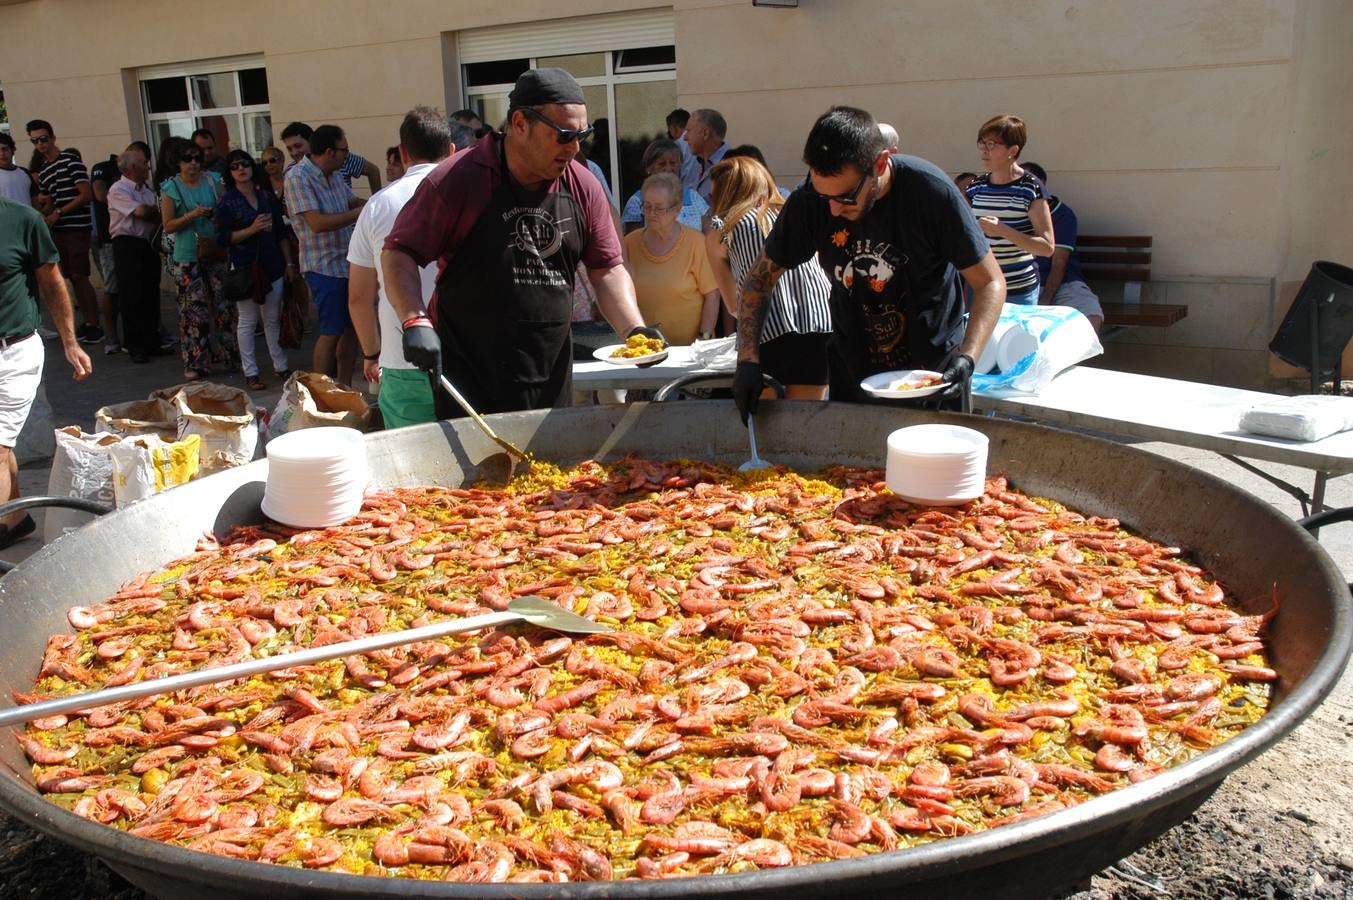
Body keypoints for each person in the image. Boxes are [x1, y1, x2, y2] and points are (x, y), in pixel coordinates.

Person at [382, 67, 655, 417]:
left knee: (550, 470)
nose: (574, 148)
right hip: (470, 377)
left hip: (551, 372)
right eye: (563, 135)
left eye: (582, 135)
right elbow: (399, 253)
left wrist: (634, 330)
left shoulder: (583, 186)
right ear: (521, 123)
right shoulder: (458, 179)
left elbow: (607, 268)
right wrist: (414, 320)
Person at [731, 105, 1004, 422]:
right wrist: (748, 361)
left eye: (845, 197)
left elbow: (990, 282)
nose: (832, 210)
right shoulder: (809, 202)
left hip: (933, 373)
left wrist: (969, 358)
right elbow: (759, 280)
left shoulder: (931, 193)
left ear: (881, 163)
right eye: (824, 197)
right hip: (853, 368)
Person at [349, 107, 452, 429]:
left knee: (413, 469)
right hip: (468, 359)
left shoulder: (378, 205)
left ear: (403, 153)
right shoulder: (472, 197)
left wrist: (371, 353)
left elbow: (359, 298)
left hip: (401, 357)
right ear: (451, 151)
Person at [0, 197, 93, 549]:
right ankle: (14, 519)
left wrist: (70, 343)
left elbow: (53, 283)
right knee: (3, 446)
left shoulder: (23, 221)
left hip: (15, 352)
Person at [706, 155, 832, 401]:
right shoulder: (794, 215)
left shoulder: (722, 226)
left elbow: (734, 305)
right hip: (822, 326)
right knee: (803, 422)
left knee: (768, 428)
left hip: (768, 332)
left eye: (714, 196)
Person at [285, 124, 364, 385]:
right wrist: (357, 214)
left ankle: (344, 388)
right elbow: (316, 223)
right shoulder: (298, 178)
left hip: (347, 263)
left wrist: (378, 204)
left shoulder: (334, 174)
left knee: (352, 331)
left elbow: (352, 202)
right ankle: (319, 393)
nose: (347, 156)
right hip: (323, 267)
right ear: (330, 151)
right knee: (331, 332)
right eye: (344, 150)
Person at [215, 149, 293, 390]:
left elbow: (281, 233)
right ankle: (251, 372)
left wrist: (289, 263)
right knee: (247, 321)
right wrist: (251, 229)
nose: (241, 169)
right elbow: (222, 238)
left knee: (272, 319)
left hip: (272, 264)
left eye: (245, 164)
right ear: (229, 173)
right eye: (235, 166)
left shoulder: (267, 196)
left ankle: (280, 366)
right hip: (245, 267)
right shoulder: (227, 202)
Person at [161, 138, 235, 380]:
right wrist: (191, 215)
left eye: (197, 158)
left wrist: (217, 215)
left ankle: (228, 355)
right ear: (178, 162)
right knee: (193, 311)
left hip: (214, 250)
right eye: (187, 159)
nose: (193, 163)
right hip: (187, 255)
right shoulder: (171, 188)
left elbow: (227, 210)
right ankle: (196, 362)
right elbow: (168, 225)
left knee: (224, 305)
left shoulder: (213, 180)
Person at [26, 119, 103, 344]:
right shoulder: (46, 170)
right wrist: (43, 204)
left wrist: (58, 212)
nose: (40, 144)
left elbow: (86, 194)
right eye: (35, 141)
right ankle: (88, 323)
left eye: (43, 138)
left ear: (53, 137)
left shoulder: (71, 161)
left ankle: (94, 325)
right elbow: (51, 203)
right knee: (70, 277)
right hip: (59, 230)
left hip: (77, 227)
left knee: (80, 275)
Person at [964, 114, 1054, 305]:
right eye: (982, 144)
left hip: (1018, 290)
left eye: (991, 145)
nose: (984, 151)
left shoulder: (1030, 188)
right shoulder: (976, 187)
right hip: (981, 286)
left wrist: (1003, 231)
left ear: (1012, 150)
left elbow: (1047, 247)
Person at [623, 172, 720, 346]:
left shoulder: (696, 243)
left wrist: (703, 338)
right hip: (643, 350)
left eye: (659, 208)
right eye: (647, 206)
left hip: (689, 351)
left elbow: (712, 296)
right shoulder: (629, 243)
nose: (651, 214)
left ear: (677, 209)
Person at [1023, 162, 1104, 333]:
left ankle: (1076, 360)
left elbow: (1059, 263)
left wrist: (1044, 302)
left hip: (1063, 284)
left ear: (1042, 187)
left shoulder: (1062, 214)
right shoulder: (1007, 213)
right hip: (1022, 283)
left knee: (1090, 316)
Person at [107, 147, 162, 364]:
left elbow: (157, 211)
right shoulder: (118, 189)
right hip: (127, 244)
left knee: (151, 291)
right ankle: (135, 345)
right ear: (132, 167)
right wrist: (152, 209)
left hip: (147, 243)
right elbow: (141, 212)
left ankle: (152, 341)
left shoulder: (145, 189)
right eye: (143, 163)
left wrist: (152, 210)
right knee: (132, 294)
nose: (147, 167)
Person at [621, 139, 708, 235]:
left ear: (680, 165)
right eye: (662, 164)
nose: (668, 169)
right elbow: (634, 242)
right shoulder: (637, 202)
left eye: (673, 163)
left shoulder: (693, 197)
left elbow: (710, 231)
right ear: (648, 168)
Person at [280, 121, 381, 195]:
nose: (294, 152)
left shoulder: (341, 157)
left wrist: (376, 203)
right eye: (289, 149)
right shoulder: (292, 173)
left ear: (311, 141)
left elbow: (373, 170)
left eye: (298, 146)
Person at [89, 152, 122, 353]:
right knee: (111, 288)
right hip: (108, 240)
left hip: (131, 242)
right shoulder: (102, 168)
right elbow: (100, 195)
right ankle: (111, 336)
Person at [680, 108, 730, 203]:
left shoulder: (731, 166)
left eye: (689, 131)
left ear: (705, 133)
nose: (685, 137)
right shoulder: (700, 163)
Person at [0, 133, 36, 205]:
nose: (2, 153)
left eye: (5, 149)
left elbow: (35, 201)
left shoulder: (25, 172)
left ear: (13, 150)